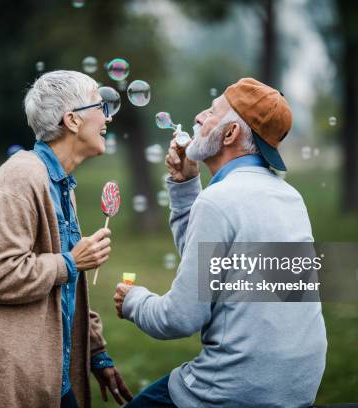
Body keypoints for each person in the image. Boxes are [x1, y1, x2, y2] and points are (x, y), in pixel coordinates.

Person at [114, 78, 327, 407]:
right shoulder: (290, 196)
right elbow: (206, 273)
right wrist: (186, 186)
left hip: (236, 390)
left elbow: (179, 318)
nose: (198, 117)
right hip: (296, 385)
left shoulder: (220, 200)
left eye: (212, 112)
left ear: (230, 134)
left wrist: (133, 301)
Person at [0, 70, 132, 408]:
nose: (108, 117)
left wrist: (96, 353)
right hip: (9, 375)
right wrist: (70, 261)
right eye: (100, 106)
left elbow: (67, 286)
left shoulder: (60, 183)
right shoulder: (20, 180)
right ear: (73, 120)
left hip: (52, 372)